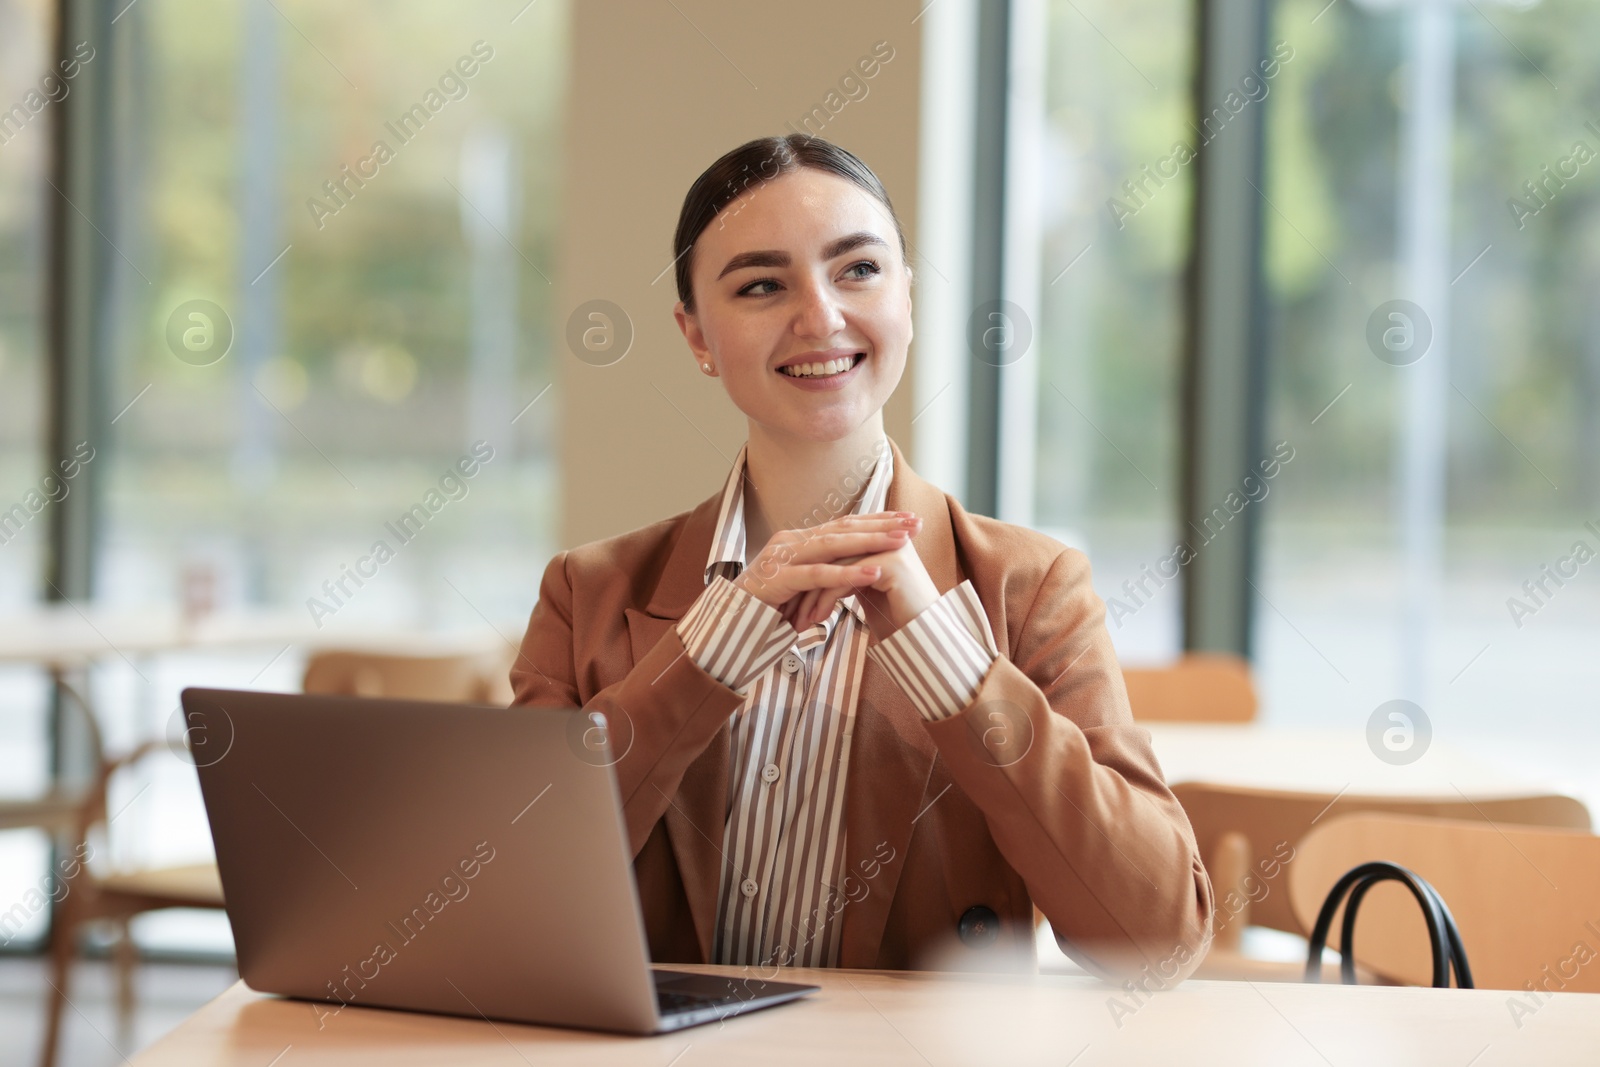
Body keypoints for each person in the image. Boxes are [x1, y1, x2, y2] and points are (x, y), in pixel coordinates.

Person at [511, 134, 1213, 982]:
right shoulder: (585, 593)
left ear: (908, 302)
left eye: (858, 271)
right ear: (696, 336)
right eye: (762, 284)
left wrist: (949, 663)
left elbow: (1159, 940)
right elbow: (506, 895)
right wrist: (712, 651)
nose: (821, 316)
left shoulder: (1032, 589)